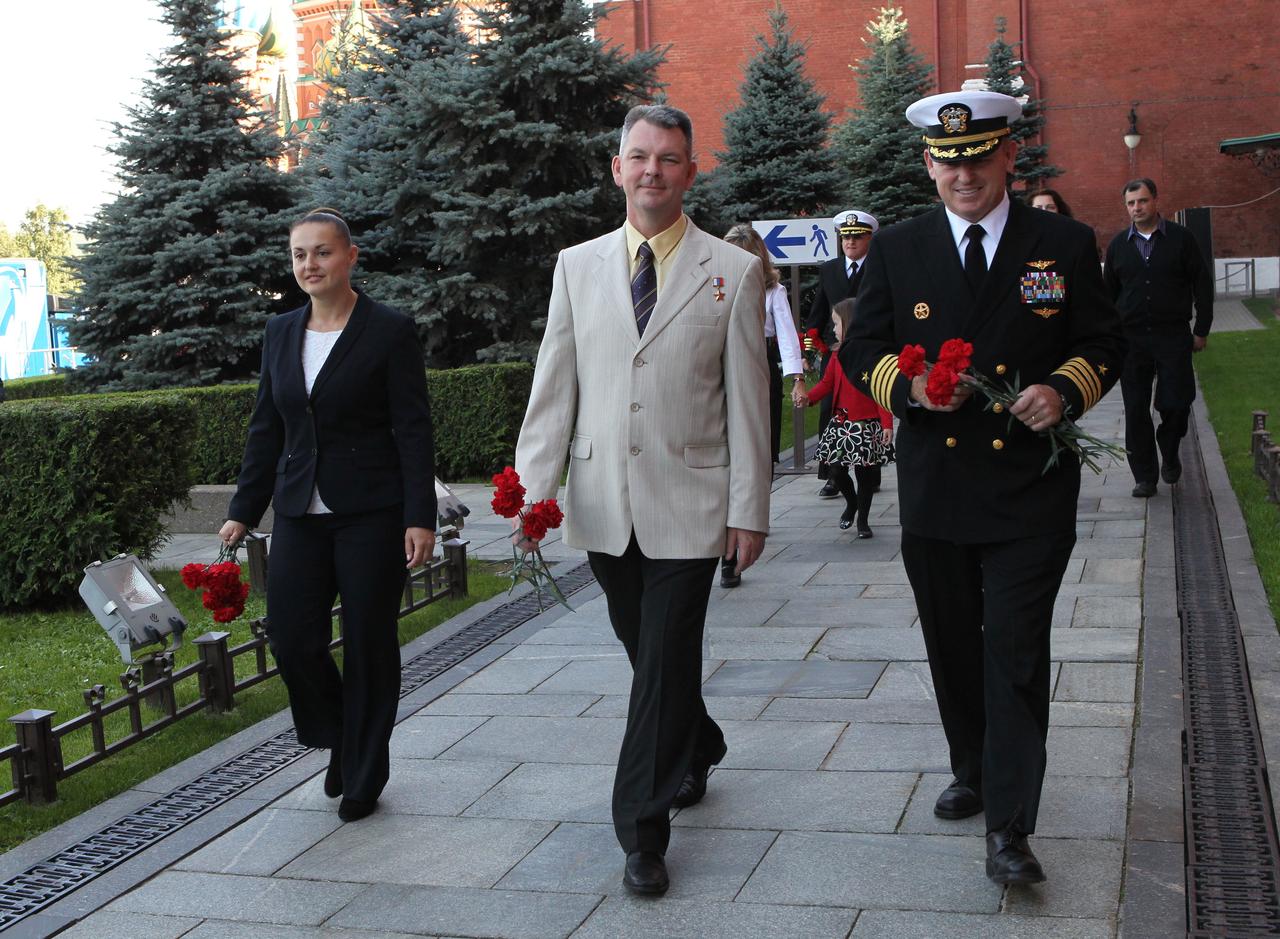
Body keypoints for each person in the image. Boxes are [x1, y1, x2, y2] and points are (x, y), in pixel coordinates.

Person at [842, 90, 1125, 886]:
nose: (963, 175)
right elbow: (864, 347)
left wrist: (1064, 392)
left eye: (978, 158)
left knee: (1013, 652)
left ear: (1008, 156)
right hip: (936, 490)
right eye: (948, 161)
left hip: (1028, 491)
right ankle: (972, 764)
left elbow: (1106, 339)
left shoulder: (1063, 242)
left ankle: (1010, 827)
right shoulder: (900, 248)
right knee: (954, 647)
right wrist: (910, 388)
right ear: (929, 165)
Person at [513, 104, 770, 896]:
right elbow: (556, 385)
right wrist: (534, 491)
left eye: (669, 157)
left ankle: (642, 833)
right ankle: (702, 741)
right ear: (617, 168)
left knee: (659, 661)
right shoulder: (576, 266)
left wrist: (748, 506)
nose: (652, 169)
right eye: (639, 156)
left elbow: (748, 400)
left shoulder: (733, 268)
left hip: (689, 502)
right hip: (601, 501)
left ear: (691, 171)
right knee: (647, 652)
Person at [221, 209, 437, 824]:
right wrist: (244, 509)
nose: (309, 265)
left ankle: (364, 772)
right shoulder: (280, 331)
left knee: (370, 643)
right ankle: (343, 734)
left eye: (321, 253)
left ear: (350, 257)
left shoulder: (389, 330)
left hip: (372, 511)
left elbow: (413, 428)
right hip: (297, 511)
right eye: (299, 255)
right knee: (292, 640)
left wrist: (418, 515)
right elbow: (268, 426)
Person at [1103, 177, 1213, 498]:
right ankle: (1145, 477)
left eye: (1142, 201)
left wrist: (1201, 329)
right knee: (1136, 409)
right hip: (1131, 341)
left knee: (1176, 403)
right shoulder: (1118, 246)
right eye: (1131, 203)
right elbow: (1108, 295)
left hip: (1172, 336)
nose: (1137, 208)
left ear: (1155, 201)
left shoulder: (1181, 239)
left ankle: (1170, 446)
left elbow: (1202, 284)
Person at [800, 298, 893, 537]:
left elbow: (879, 391)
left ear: (849, 324)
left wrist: (887, 424)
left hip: (866, 424)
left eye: (836, 324)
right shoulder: (836, 356)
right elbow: (826, 384)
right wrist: (808, 398)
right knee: (836, 470)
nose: (833, 330)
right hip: (842, 424)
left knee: (865, 475)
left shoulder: (869, 355)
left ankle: (863, 520)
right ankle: (852, 503)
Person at [804, 209, 879, 499]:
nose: (850, 242)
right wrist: (812, 342)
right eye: (846, 237)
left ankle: (869, 473)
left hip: (869, 352)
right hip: (835, 351)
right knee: (830, 412)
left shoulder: (878, 266)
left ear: (869, 238)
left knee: (867, 412)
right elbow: (819, 309)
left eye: (857, 236)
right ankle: (833, 474)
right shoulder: (831, 269)